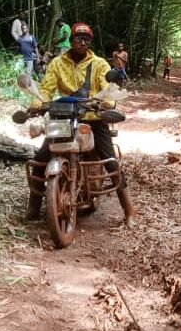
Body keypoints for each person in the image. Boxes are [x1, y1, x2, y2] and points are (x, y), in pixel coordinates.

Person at [26, 22, 137, 226]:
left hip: (92, 118)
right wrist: (36, 104)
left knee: (110, 160)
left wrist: (106, 103)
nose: (82, 41)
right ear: (72, 39)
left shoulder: (100, 64)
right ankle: (33, 206)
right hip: (64, 118)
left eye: (87, 39)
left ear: (90, 41)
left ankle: (129, 211)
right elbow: (46, 89)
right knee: (41, 157)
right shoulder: (57, 63)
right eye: (79, 37)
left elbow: (107, 87)